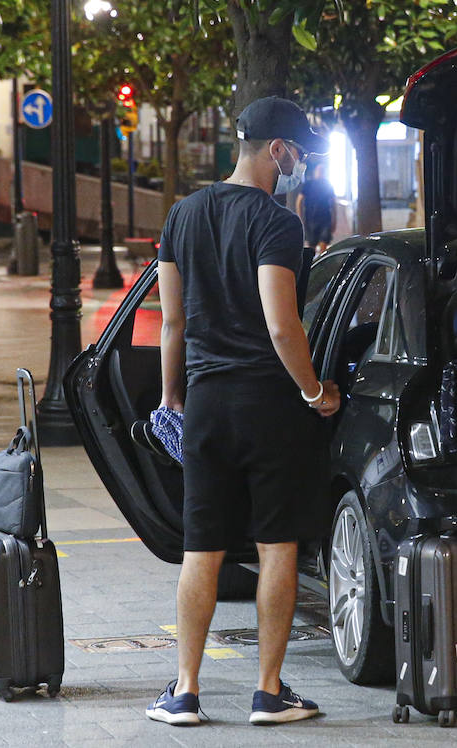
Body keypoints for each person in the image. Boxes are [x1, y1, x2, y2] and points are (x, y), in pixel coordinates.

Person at [148, 95, 341, 728]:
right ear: (277, 150)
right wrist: (315, 391)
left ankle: (184, 690)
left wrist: (173, 395)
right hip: (267, 404)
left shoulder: (182, 214)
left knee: (200, 549)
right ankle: (267, 691)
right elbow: (282, 326)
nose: (302, 165)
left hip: (206, 402)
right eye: (301, 153)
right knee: (276, 544)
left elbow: (172, 320)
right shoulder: (277, 223)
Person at [294, 161, 336, 252]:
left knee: (324, 243)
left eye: (323, 170)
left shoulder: (328, 185)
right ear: (315, 171)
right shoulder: (308, 185)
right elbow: (299, 201)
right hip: (311, 220)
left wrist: (334, 220)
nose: (321, 172)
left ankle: (322, 264)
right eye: (319, 170)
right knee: (311, 246)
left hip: (325, 219)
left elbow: (333, 203)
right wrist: (300, 217)